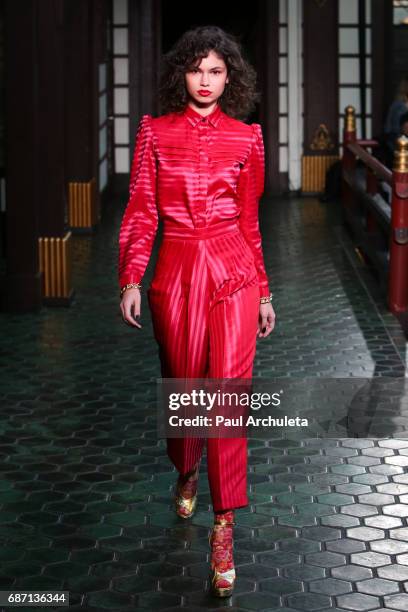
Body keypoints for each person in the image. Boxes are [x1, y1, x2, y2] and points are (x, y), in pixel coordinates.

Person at [118, 25, 275, 598]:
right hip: (177, 273)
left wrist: (263, 291)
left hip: (232, 270)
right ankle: (185, 467)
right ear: (179, 75)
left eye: (216, 71)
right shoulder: (155, 134)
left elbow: (252, 224)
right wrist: (131, 277)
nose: (205, 81)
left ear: (229, 77)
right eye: (195, 70)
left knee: (228, 396)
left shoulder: (247, 139)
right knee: (185, 391)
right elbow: (140, 211)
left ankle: (224, 525)